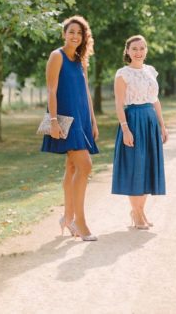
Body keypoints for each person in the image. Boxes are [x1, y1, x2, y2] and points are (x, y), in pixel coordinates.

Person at [41, 15, 100, 241]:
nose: (75, 36)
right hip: (65, 119)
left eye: (80, 33)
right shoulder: (57, 56)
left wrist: (93, 121)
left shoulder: (80, 60)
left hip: (82, 119)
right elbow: (51, 90)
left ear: (84, 37)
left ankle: (66, 218)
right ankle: (80, 221)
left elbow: (86, 93)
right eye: (71, 32)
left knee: (73, 169)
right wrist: (53, 121)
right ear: (64, 34)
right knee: (85, 166)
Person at [112, 35, 168, 230]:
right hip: (133, 120)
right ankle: (136, 213)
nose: (138, 52)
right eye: (134, 48)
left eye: (142, 48)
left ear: (146, 50)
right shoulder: (123, 73)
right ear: (127, 51)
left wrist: (162, 125)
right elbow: (119, 104)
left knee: (148, 166)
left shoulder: (151, 71)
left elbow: (155, 100)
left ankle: (140, 210)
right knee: (136, 166)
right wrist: (125, 129)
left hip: (150, 120)